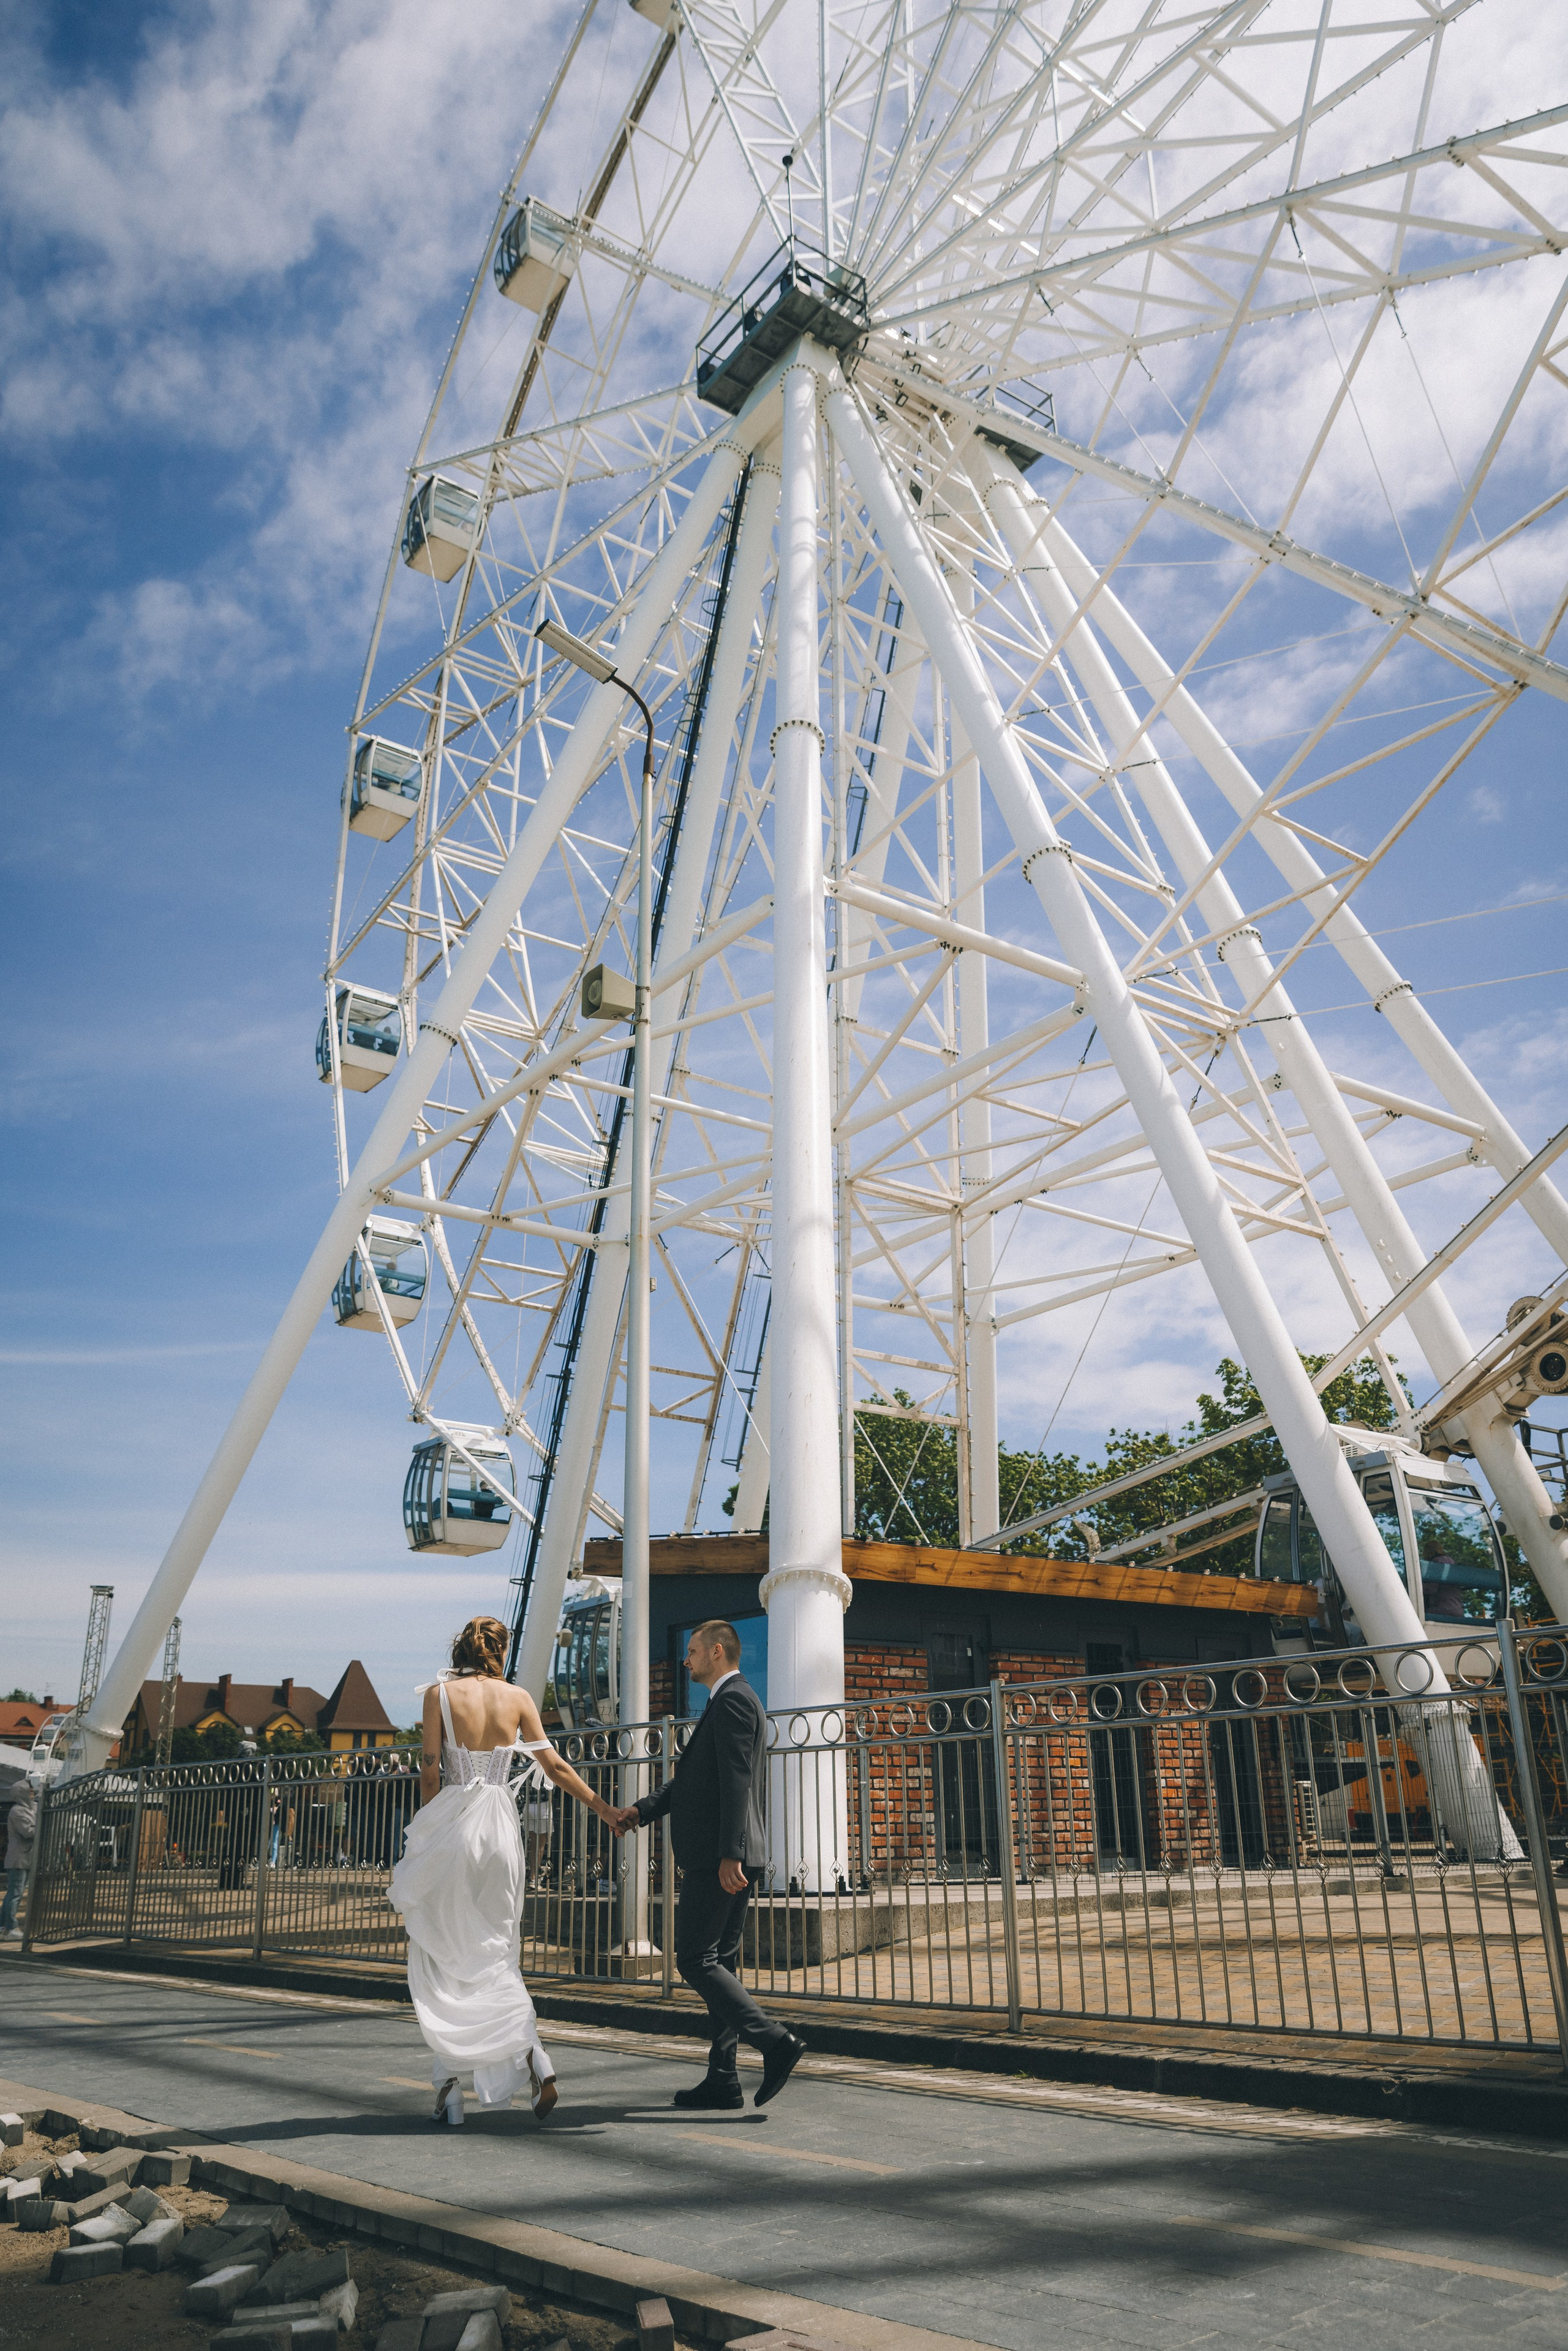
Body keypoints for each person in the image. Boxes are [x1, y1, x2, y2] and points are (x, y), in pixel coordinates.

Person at [388, 1614, 617, 2127]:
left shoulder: (438, 1696)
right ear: (501, 1650)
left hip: (452, 1823)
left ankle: (449, 2090)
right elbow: (554, 1767)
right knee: (496, 1950)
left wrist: (426, 1831)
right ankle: (536, 2057)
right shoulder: (518, 1698)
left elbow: (430, 1770)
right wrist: (604, 1809)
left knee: (445, 1951)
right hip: (499, 1828)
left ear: (460, 1648)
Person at [609, 1620, 805, 2111]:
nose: (686, 1658)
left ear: (717, 1652)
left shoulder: (734, 1700)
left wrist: (730, 1853)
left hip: (723, 1857)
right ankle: (723, 2078)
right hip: (727, 1853)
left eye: (693, 1650)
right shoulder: (725, 1701)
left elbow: (738, 1781)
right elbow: (693, 1783)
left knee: (695, 1959)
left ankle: (776, 2042)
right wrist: (643, 1811)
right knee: (722, 1963)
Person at [1, 1771, 37, 1942]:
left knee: (15, 1893)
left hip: (24, 1857)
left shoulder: (30, 1808)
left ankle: (4, 1925)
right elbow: (28, 1832)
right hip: (19, 1857)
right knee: (15, 1893)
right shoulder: (18, 1811)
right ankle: (11, 1926)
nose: (32, 1794)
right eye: (30, 1792)